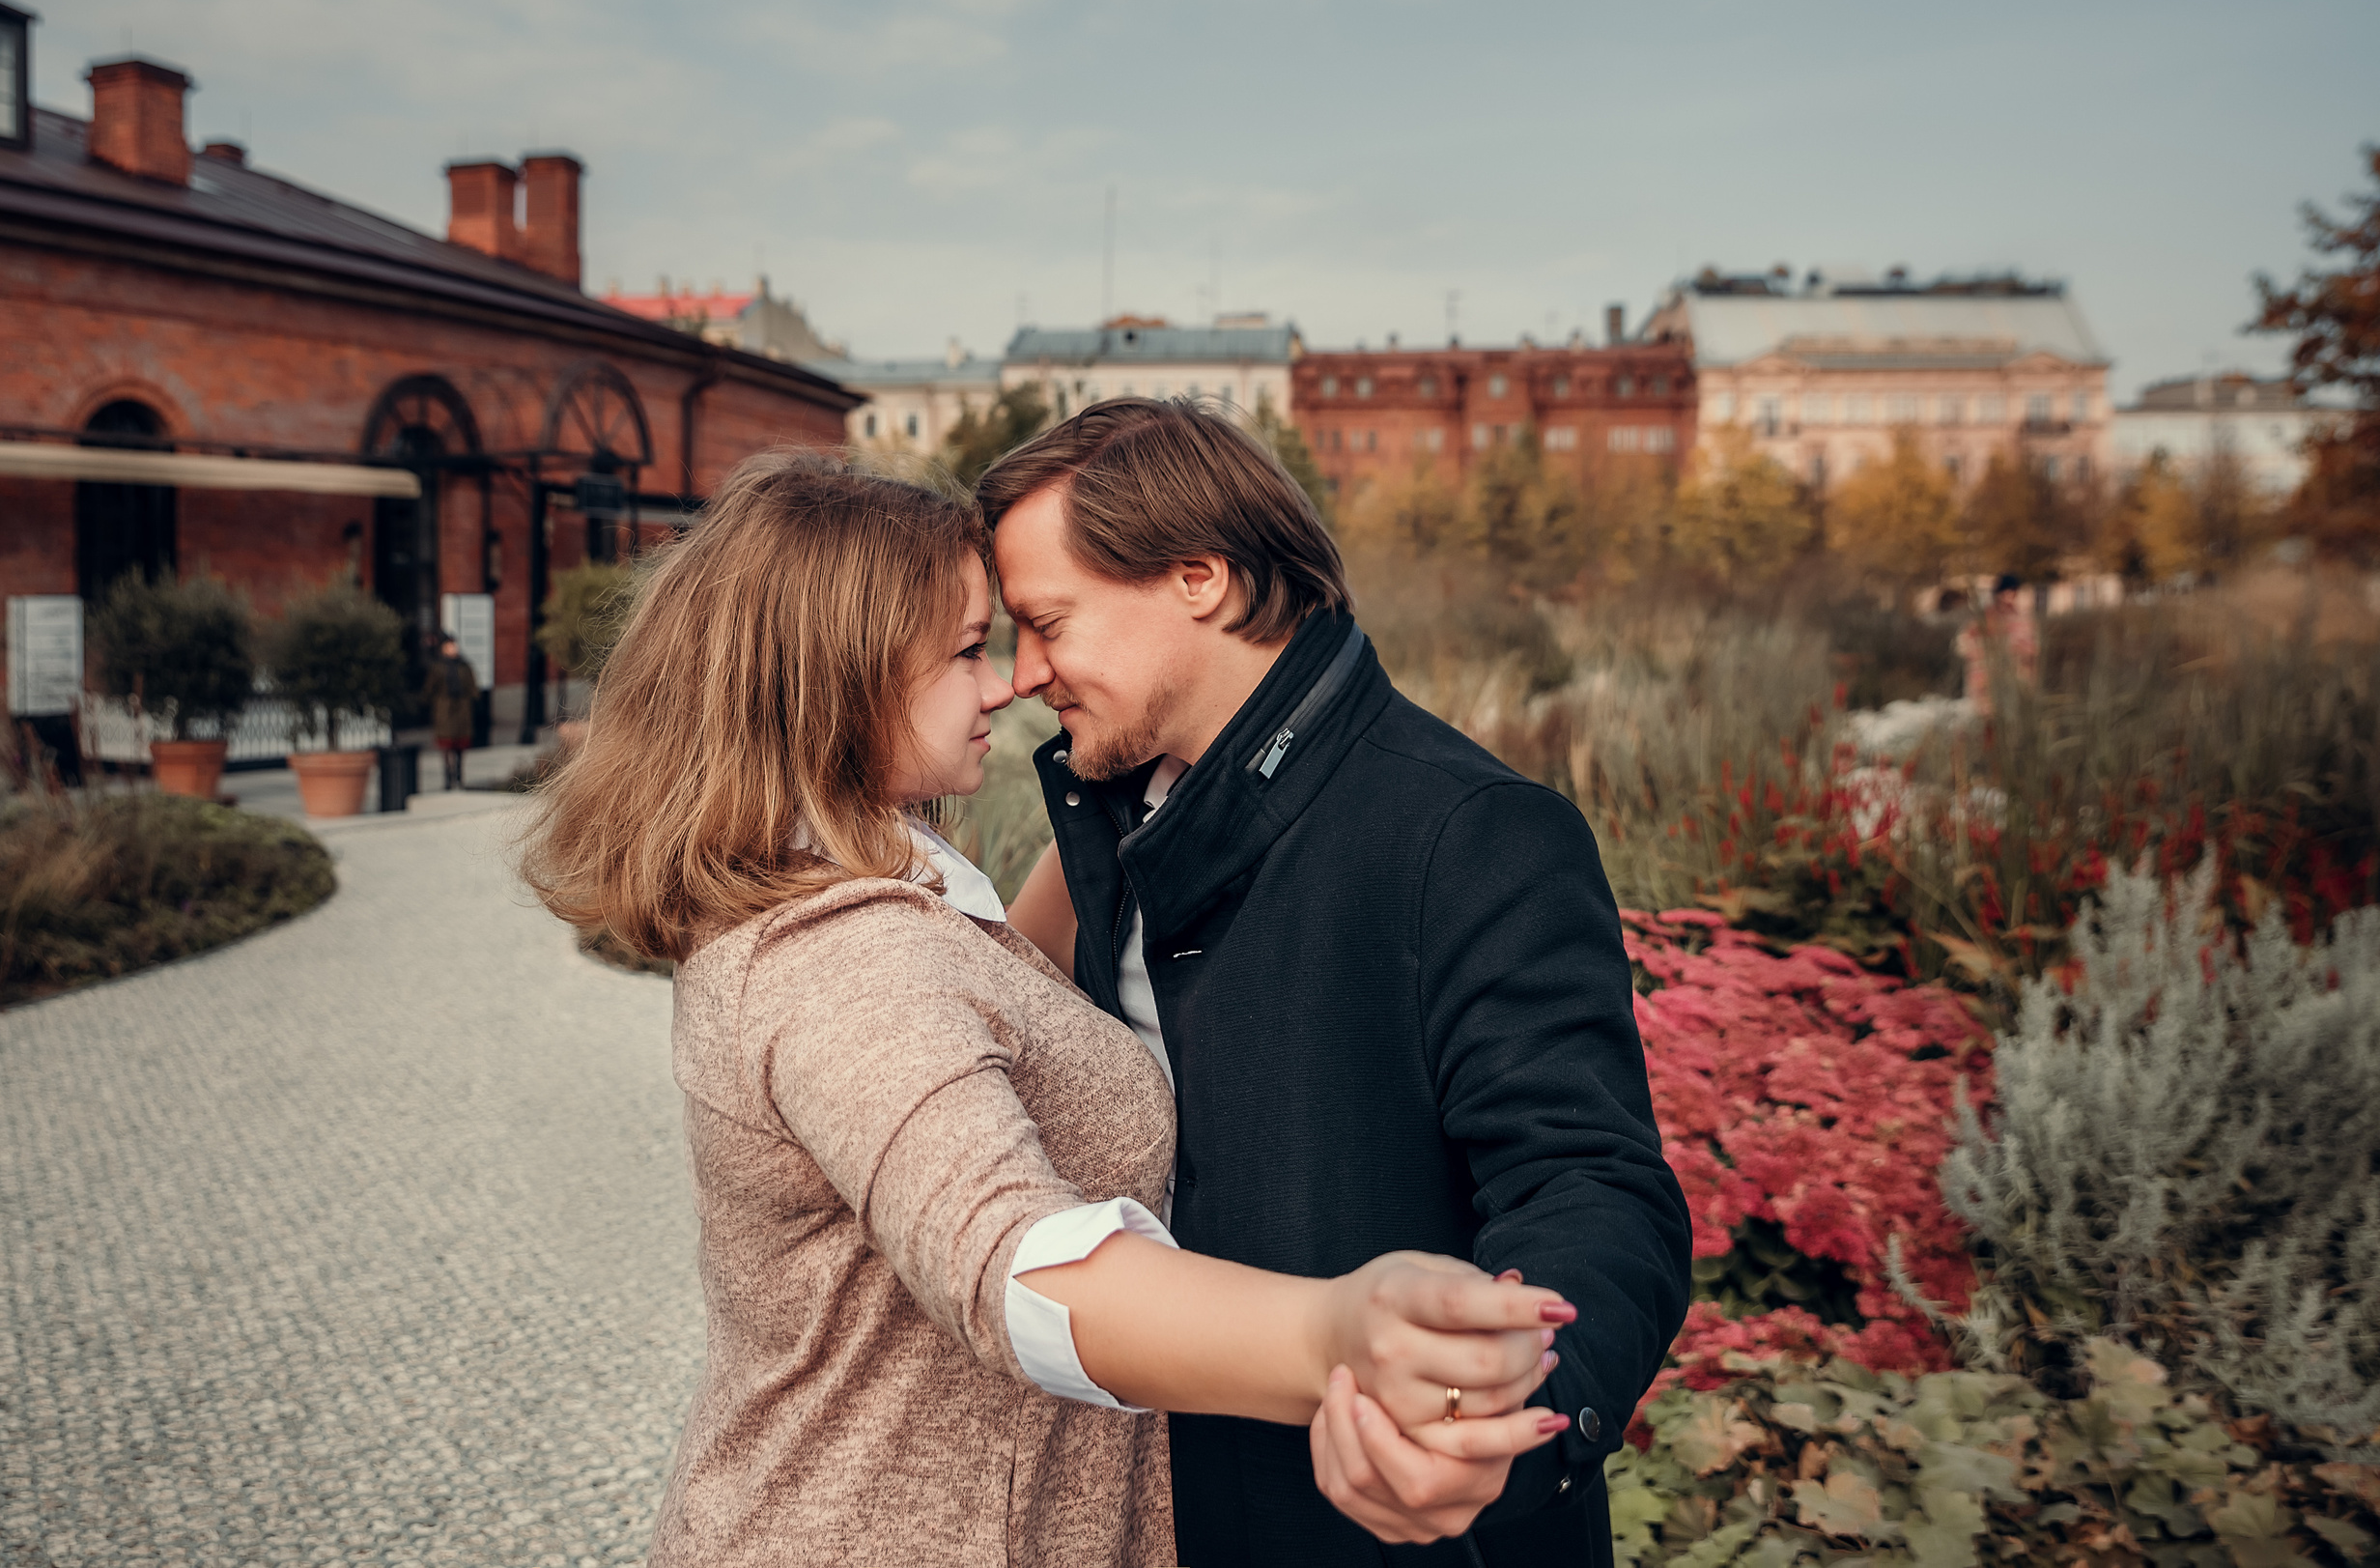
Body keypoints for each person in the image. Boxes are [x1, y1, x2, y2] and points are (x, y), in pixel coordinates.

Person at [520, 451, 1576, 1568]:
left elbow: (1016, 984)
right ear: (839, 675)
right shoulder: (838, 959)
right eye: (968, 648)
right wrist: (1333, 1333)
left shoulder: (892, 876)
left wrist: (1198, 736)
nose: (1004, 683)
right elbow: (1005, 1258)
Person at [984, 399, 1694, 1567]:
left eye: (1046, 622)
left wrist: (1498, 1423)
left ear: (1199, 577)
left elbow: (1593, 1183)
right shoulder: (1111, 817)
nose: (1021, 675)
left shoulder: (1473, 832)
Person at [1956, 573, 2040, 714]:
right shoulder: (1983, 620)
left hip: (2015, 681)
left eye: (2012, 593)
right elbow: (1963, 645)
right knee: (1987, 719)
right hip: (1985, 683)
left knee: (2014, 718)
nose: (2008, 598)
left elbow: (2033, 649)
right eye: (2004, 593)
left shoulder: (2024, 620)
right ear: (1997, 594)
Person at [421, 635, 481, 788]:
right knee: (447, 745)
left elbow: (472, 687)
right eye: (450, 646)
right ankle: (448, 776)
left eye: (454, 646)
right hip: (445, 709)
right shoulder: (438, 667)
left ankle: (460, 776)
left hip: (462, 709)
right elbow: (430, 689)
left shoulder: (464, 666)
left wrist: (473, 698)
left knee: (461, 745)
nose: (453, 649)